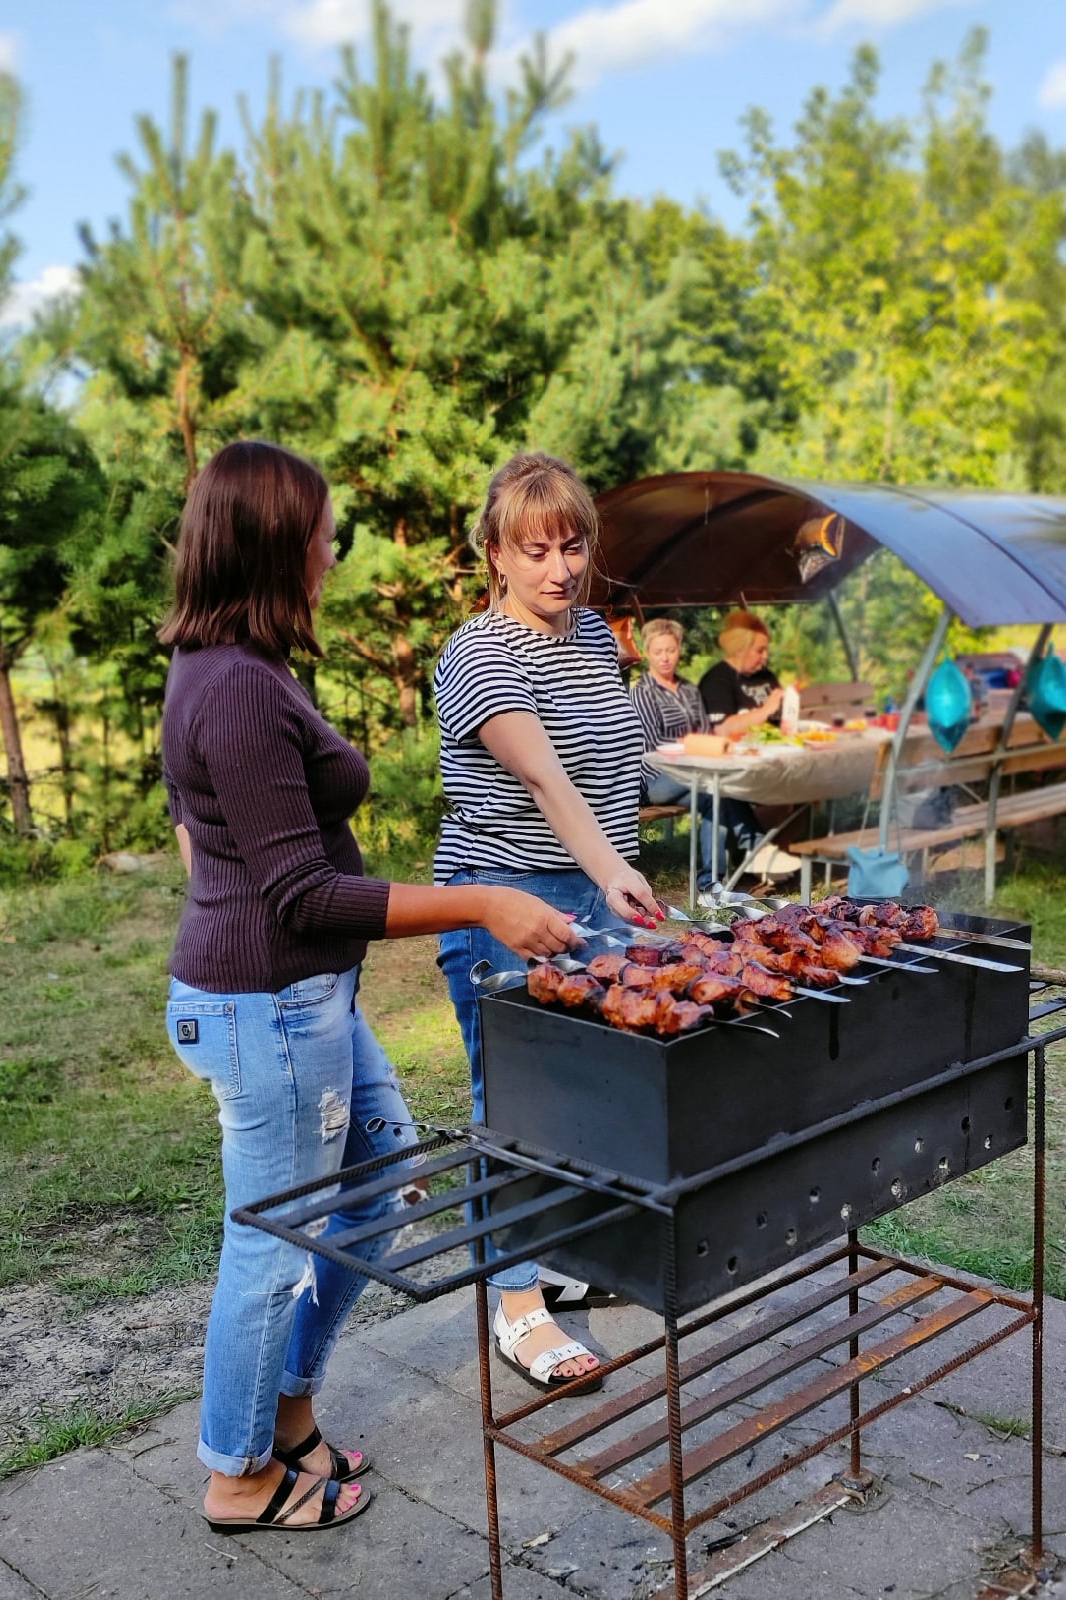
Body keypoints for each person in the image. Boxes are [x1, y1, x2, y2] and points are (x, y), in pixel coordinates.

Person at [160, 440, 579, 1535]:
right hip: (271, 1010)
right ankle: (238, 1475)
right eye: (321, 534)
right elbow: (302, 894)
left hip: (303, 1002)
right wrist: (482, 901)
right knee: (270, 1242)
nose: (333, 551)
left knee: (379, 1182)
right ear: (273, 546)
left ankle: (287, 1410)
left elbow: (210, 828)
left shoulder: (237, 665)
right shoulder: (235, 687)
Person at [433, 451, 663, 1393]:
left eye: (572, 546)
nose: (558, 569)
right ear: (494, 552)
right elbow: (543, 777)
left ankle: (562, 1254)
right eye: (534, 551)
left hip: (594, 897)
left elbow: (610, 768)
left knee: (596, 1092)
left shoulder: (593, 636)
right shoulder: (478, 652)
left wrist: (625, 858)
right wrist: (611, 871)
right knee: (518, 1105)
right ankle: (515, 1304)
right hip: (504, 899)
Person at [631, 617, 798, 884]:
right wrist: (696, 749)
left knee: (716, 793)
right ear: (648, 653)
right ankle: (757, 848)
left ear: (679, 649)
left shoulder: (688, 689)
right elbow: (654, 747)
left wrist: (706, 747)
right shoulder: (642, 693)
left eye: (670, 650)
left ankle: (710, 884)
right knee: (716, 782)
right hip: (658, 778)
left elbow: (706, 730)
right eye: (658, 651)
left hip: (697, 772)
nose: (665, 658)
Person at [697, 608, 785, 735]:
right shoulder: (716, 682)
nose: (765, 656)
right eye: (760, 651)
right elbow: (721, 729)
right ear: (740, 650)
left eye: (766, 650)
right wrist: (765, 711)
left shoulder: (766, 676)